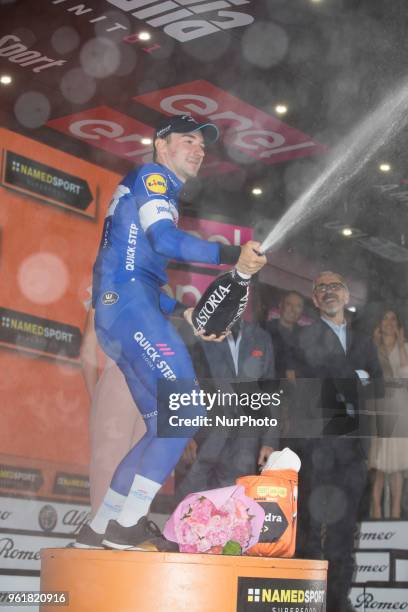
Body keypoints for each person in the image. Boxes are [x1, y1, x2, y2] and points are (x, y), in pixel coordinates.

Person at [75, 114, 266, 550]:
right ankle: (129, 524)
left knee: (163, 423)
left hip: (123, 308)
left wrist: (188, 315)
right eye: (188, 140)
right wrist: (233, 254)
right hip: (127, 309)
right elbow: (165, 241)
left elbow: (138, 270)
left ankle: (101, 527)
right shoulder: (153, 177)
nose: (199, 149)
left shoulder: (152, 188)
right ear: (160, 146)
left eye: (203, 144)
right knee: (186, 413)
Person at [293, 271, 383, 612]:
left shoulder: (364, 341)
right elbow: (310, 384)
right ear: (315, 300)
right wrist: (353, 379)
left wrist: (356, 381)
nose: (328, 292)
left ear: (347, 296)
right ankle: (309, 599)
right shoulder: (304, 337)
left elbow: (377, 386)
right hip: (317, 449)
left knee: (345, 531)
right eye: (321, 288)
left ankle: (337, 602)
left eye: (335, 287)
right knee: (312, 527)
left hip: (354, 448)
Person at [176, 319, 278, 499]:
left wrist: (269, 440)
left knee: (233, 505)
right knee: (189, 503)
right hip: (203, 436)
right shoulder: (197, 332)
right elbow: (181, 383)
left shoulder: (261, 337)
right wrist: (184, 433)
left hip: (245, 442)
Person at [80, 308, 146, 515]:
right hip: (143, 386)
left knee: (127, 472)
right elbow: (88, 351)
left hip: (134, 386)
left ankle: (117, 534)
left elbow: (88, 351)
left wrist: (96, 397)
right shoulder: (159, 292)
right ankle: (118, 535)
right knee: (134, 472)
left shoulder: (108, 289)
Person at [368, 309, 408, 519]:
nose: (389, 322)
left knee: (398, 467)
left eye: (393, 318)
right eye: (385, 317)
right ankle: (376, 511)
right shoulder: (372, 349)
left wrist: (401, 343)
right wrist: (374, 347)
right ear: (379, 323)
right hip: (379, 411)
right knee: (379, 465)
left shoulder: (406, 348)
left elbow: (405, 375)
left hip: (400, 411)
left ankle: (395, 514)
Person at [265, 291, 304, 380]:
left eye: (298, 306)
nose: (293, 310)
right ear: (281, 305)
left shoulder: (306, 335)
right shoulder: (265, 330)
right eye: (289, 304)